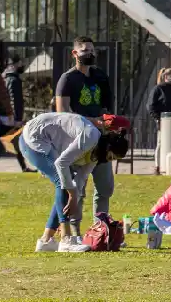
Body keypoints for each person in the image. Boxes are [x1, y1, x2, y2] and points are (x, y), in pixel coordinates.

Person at [18, 111, 128, 252]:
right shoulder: (90, 136)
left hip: (47, 141)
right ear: (108, 148)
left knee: (66, 183)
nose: (108, 161)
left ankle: (46, 240)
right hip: (33, 138)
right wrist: (73, 195)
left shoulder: (97, 154)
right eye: (111, 157)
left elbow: (80, 178)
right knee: (62, 182)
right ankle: (66, 239)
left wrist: (73, 197)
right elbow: (61, 164)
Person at [54, 37, 115, 224]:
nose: (90, 53)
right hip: (78, 140)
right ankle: (74, 231)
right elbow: (62, 113)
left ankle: (100, 228)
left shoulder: (100, 76)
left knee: (105, 188)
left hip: (101, 140)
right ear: (74, 53)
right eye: (85, 50)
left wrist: (109, 122)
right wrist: (92, 122)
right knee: (77, 188)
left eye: (92, 50)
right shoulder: (67, 79)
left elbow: (106, 106)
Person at [0, 58, 32, 171]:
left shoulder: (6, 78)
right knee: (16, 141)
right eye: (21, 63)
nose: (23, 65)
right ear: (16, 64)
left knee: (12, 141)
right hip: (12, 117)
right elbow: (14, 100)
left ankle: (24, 167)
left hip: (7, 115)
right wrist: (16, 118)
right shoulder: (14, 80)